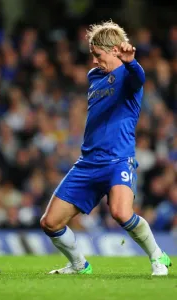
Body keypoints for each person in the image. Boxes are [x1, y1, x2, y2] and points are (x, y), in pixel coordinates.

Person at [40, 21, 172, 276]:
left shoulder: (130, 75)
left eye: (97, 55)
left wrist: (131, 62)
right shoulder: (95, 77)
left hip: (118, 160)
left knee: (121, 213)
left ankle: (159, 257)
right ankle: (79, 265)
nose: (93, 61)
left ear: (114, 51)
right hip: (88, 162)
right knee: (50, 222)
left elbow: (138, 77)